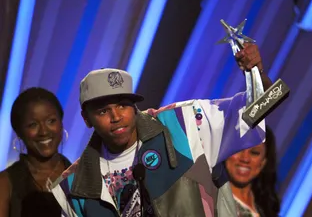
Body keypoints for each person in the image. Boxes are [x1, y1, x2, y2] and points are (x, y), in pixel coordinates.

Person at [51, 44, 272, 217]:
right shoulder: (73, 188)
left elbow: (256, 111)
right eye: (103, 111)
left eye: (123, 105)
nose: (116, 117)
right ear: (86, 119)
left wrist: (257, 72)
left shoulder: (183, 124)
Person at [0, 88, 72, 217]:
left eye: (51, 121)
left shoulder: (84, 176)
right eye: (33, 125)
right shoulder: (5, 183)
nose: (44, 132)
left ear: (61, 124)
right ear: (19, 132)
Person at [224, 126, 280, 217]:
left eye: (254, 152)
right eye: (238, 149)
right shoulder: (207, 199)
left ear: (263, 162)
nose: (245, 159)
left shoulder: (266, 207)